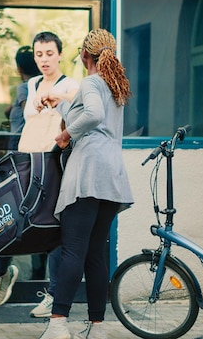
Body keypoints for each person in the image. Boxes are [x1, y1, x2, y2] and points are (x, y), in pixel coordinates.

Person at [37, 28, 134, 339]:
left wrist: (67, 134)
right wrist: (62, 102)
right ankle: (97, 327)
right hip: (111, 176)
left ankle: (57, 324)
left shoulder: (92, 82)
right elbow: (90, 112)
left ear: (84, 55)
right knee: (94, 253)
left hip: (89, 172)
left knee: (73, 250)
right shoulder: (114, 86)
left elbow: (91, 114)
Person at [24, 31, 80, 318]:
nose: (43, 59)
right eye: (38, 54)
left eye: (49, 53)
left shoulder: (70, 85)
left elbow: (81, 109)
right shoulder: (32, 83)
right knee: (31, 222)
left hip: (56, 164)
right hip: (31, 164)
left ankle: (54, 294)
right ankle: (16, 274)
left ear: (59, 54)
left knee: (55, 227)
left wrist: (59, 97)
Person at [0, 45, 41, 307]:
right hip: (34, 160)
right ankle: (38, 276)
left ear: (19, 67)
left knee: (7, 215)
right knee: (34, 215)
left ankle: (1, 273)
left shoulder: (26, 87)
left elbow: (27, 109)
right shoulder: (42, 85)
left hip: (18, 160)